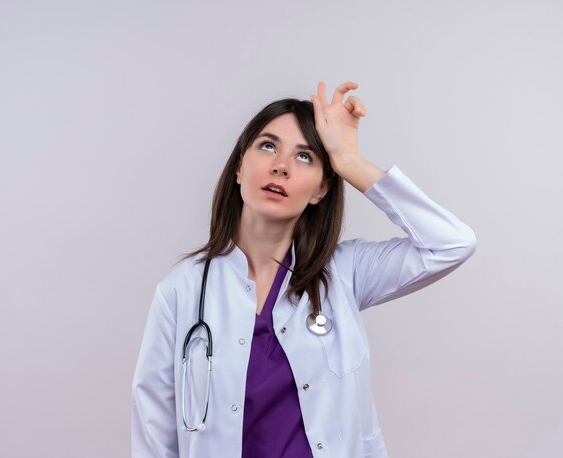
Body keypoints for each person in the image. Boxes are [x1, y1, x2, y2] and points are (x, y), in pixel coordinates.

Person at [131, 81, 477, 458]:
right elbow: (154, 432)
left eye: (304, 157)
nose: (280, 166)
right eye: (268, 146)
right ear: (238, 168)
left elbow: (451, 243)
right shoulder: (182, 291)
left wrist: (348, 161)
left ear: (320, 190)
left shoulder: (344, 273)